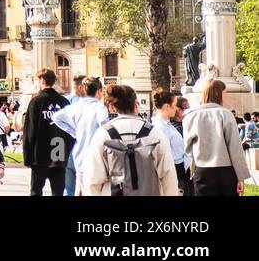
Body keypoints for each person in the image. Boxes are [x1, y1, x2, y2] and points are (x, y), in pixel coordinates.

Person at [83, 83, 177, 196]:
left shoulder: (103, 134)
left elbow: (92, 179)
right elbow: (168, 175)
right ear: (136, 104)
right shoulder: (154, 133)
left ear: (112, 108)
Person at [183, 78, 249, 196]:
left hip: (203, 170)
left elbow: (187, 148)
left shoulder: (191, 116)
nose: (227, 96)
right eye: (225, 93)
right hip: (226, 171)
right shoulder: (225, 114)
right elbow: (235, 148)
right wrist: (241, 177)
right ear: (218, 93)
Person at [50, 76, 107, 195]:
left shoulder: (75, 106)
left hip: (79, 154)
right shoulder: (99, 108)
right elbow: (105, 125)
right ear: (99, 91)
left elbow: (56, 117)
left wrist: (72, 131)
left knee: (79, 189)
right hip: (96, 156)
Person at [22, 68, 71, 196]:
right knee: (58, 192)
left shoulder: (36, 101)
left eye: (37, 80)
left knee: (36, 191)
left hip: (40, 155)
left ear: (42, 80)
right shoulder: (64, 102)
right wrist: (67, 152)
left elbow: (29, 130)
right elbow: (71, 131)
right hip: (59, 153)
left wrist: (27, 156)